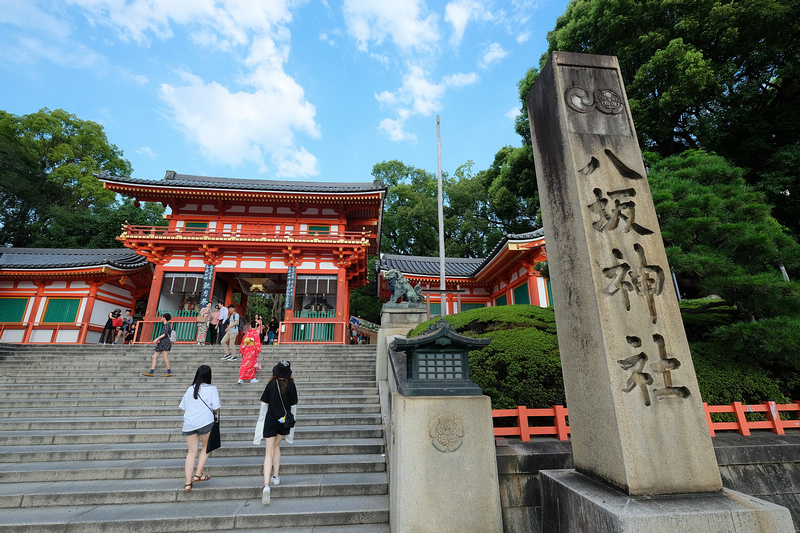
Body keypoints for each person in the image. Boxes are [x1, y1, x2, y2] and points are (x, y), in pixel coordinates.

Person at [259, 360, 297, 505]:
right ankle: (276, 477)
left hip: (270, 421)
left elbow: (264, 405)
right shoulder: (292, 386)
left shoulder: (271, 385)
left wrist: (259, 424)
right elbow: (294, 407)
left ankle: (266, 485)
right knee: (277, 447)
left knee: (268, 452)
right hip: (284, 422)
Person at [179, 365, 220, 493]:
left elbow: (184, 408)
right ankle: (198, 474)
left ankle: (187, 483)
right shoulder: (212, 389)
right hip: (205, 422)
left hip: (189, 423)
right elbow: (216, 407)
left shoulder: (190, 389)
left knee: (191, 452)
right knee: (206, 447)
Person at [238, 320, 262, 384]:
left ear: (251, 326)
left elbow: (243, 343)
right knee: (252, 364)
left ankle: (241, 378)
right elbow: (257, 343)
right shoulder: (256, 333)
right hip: (252, 350)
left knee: (244, 363)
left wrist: (241, 350)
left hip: (246, 350)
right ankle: (252, 378)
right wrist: (258, 350)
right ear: (256, 327)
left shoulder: (247, 333)